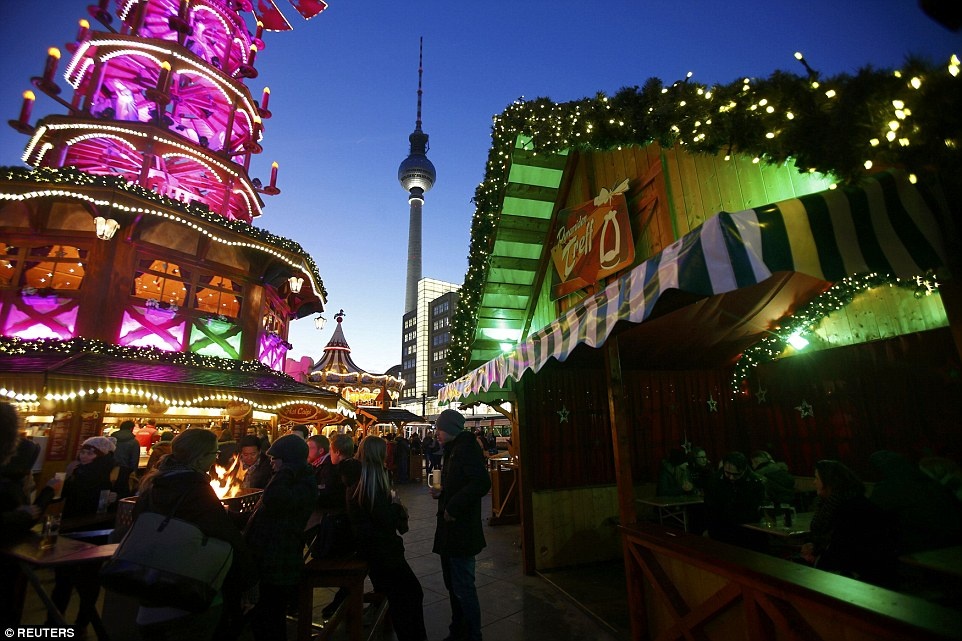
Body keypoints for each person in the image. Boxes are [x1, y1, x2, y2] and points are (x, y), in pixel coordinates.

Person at [133, 429, 257, 641]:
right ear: (200, 458)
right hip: (190, 592)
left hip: (150, 590)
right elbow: (226, 536)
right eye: (214, 453)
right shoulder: (196, 489)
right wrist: (249, 582)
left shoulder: (154, 483)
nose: (216, 458)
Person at [348, 436, 427, 641]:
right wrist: (396, 506)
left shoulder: (361, 480)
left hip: (374, 549)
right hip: (382, 551)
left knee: (399, 595)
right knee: (410, 594)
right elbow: (384, 519)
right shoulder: (371, 483)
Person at [243, 433, 318, 641]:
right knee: (265, 613)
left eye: (275, 458)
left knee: (271, 614)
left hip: (279, 557)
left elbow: (274, 500)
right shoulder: (292, 479)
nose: (271, 462)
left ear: (288, 460)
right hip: (272, 555)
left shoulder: (299, 482)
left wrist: (285, 471)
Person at [430, 409, 491, 641]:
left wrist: (453, 506)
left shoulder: (465, 449)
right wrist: (443, 491)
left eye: (439, 428)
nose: (436, 433)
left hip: (461, 529)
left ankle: (472, 635)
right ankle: (458, 630)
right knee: (453, 585)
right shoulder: (453, 449)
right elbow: (462, 481)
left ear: (450, 429)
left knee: (463, 586)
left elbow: (481, 482)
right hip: (451, 530)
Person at [800, 460, 897, 587]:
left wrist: (816, 558)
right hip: (857, 571)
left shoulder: (851, 509)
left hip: (864, 578)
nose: (814, 482)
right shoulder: (834, 503)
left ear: (829, 482)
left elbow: (844, 551)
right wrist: (813, 545)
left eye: (817, 478)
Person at [868, 450, 962, 555]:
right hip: (950, 543)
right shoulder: (929, 482)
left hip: (921, 548)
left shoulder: (888, 488)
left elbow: (871, 515)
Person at [316, 433, 362, 619]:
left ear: (336, 451)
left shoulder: (339, 472)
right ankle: (344, 601)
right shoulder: (357, 468)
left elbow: (333, 497)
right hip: (351, 528)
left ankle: (342, 603)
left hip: (341, 527)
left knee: (331, 562)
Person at [703, 451, 766, 550]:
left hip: (746, 532)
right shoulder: (715, 480)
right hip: (720, 530)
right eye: (727, 473)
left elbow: (755, 510)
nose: (731, 477)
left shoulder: (755, 483)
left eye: (736, 474)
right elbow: (709, 507)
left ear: (744, 469)